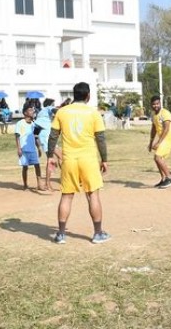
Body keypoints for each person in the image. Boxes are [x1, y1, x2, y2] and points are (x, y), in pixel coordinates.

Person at [46, 82, 111, 245]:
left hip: (69, 159)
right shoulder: (93, 113)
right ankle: (98, 233)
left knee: (66, 196)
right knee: (93, 195)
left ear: (74, 95)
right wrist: (104, 159)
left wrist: (49, 156)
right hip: (88, 159)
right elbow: (100, 138)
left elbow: (53, 135)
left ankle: (61, 234)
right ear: (88, 96)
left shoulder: (62, 112)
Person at [147, 95, 171, 188]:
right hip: (162, 139)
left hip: (168, 138)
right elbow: (154, 128)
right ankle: (163, 179)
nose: (156, 106)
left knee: (157, 158)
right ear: (151, 105)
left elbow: (166, 129)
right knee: (158, 159)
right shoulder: (154, 115)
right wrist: (151, 142)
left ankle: (169, 177)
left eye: (157, 103)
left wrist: (158, 142)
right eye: (154, 104)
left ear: (160, 103)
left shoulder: (165, 113)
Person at [15, 106, 43, 191]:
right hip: (24, 149)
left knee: (37, 165)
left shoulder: (34, 124)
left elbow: (36, 137)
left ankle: (39, 184)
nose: (33, 111)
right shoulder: (20, 123)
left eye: (33, 110)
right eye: (30, 110)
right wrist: (19, 148)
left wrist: (39, 148)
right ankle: (25, 185)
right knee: (25, 167)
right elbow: (17, 136)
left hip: (33, 149)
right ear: (25, 113)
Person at [36, 98, 56, 191]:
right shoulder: (48, 108)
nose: (54, 106)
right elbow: (55, 110)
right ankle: (68, 180)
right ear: (49, 104)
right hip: (46, 138)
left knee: (51, 159)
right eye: (53, 104)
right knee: (60, 158)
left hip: (46, 137)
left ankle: (47, 183)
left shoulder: (41, 113)